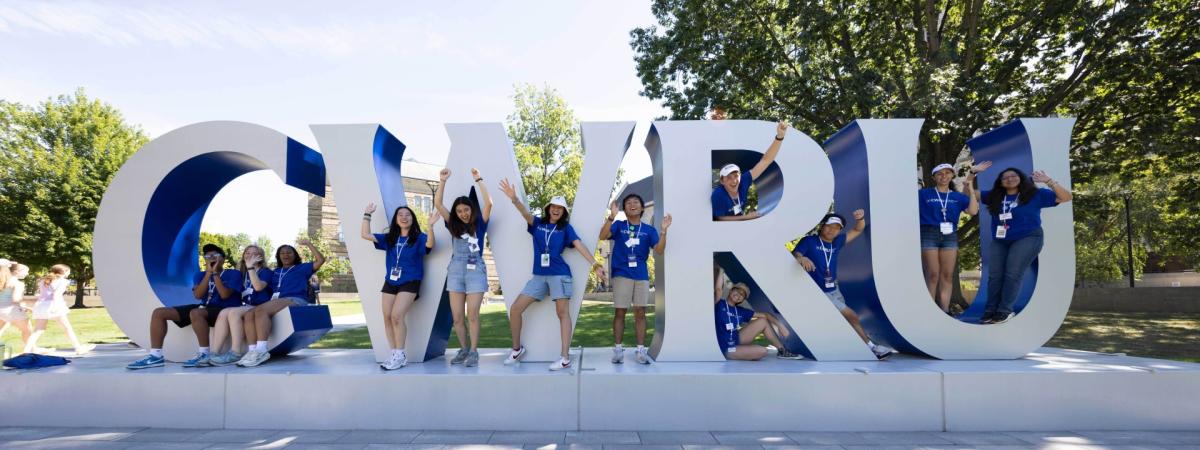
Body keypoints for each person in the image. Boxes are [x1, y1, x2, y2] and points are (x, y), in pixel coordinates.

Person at [498, 179, 605, 371]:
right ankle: (516, 349)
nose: (556, 210)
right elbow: (525, 213)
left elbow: (579, 245)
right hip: (539, 276)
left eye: (560, 208)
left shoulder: (565, 229)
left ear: (564, 212)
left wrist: (595, 264)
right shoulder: (537, 224)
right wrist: (514, 199)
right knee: (515, 309)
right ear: (548, 208)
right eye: (553, 207)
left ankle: (564, 358)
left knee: (562, 314)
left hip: (559, 275)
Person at [793, 212, 897, 359]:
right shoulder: (809, 241)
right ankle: (872, 348)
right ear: (822, 226)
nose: (832, 230)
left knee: (844, 321)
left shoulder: (837, 242)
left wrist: (860, 218)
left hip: (833, 289)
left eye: (836, 228)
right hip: (819, 292)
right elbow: (796, 254)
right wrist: (801, 257)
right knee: (852, 316)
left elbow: (857, 229)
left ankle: (852, 347)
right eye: (829, 226)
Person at [976, 167, 1073, 324]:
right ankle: (990, 310)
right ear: (1000, 182)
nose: (1009, 178)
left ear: (1021, 177)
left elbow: (1066, 197)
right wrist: (970, 176)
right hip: (1001, 240)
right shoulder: (994, 196)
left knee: (1012, 273)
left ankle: (1004, 311)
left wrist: (1048, 181)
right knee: (994, 276)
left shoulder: (1036, 194)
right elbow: (969, 195)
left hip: (1028, 237)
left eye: (1013, 175)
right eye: (1005, 177)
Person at [126, 245, 242, 369]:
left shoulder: (233, 273)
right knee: (159, 313)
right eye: (208, 256)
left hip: (224, 310)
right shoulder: (200, 275)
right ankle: (155, 356)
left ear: (223, 259)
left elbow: (224, 295)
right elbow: (198, 295)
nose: (211, 259)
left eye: (215, 256)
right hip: (203, 307)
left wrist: (215, 275)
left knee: (196, 313)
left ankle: (204, 353)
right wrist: (208, 273)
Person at [360, 204, 438, 370]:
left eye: (407, 215)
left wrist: (430, 226)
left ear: (412, 219)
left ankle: (401, 353)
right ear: (396, 220)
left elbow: (430, 246)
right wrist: (367, 214)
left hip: (410, 280)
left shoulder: (418, 237)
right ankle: (395, 354)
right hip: (390, 281)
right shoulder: (390, 238)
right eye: (400, 215)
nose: (404, 217)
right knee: (387, 317)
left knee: (396, 316)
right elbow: (365, 234)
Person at [600, 194, 671, 364]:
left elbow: (659, 250)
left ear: (641, 208)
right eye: (628, 203)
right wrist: (611, 216)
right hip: (622, 274)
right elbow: (602, 236)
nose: (632, 205)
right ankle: (617, 349)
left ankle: (640, 350)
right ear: (625, 208)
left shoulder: (649, 230)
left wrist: (663, 231)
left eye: (636, 202)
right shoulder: (619, 224)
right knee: (620, 312)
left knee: (640, 312)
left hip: (641, 275)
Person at [434, 167, 493, 368]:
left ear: (471, 209)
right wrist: (442, 181)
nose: (463, 214)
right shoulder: (452, 224)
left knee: (473, 314)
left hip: (476, 270)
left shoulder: (480, 224)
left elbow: (489, 203)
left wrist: (479, 179)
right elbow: (438, 204)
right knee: (457, 317)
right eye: (459, 211)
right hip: (456, 271)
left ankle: (474, 352)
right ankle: (464, 349)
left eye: (466, 209)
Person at [237, 240, 324, 367]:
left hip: (296, 299)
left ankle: (261, 351)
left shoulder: (302, 268)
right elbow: (260, 286)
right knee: (249, 314)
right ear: (278, 256)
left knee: (261, 311)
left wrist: (309, 244)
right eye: (282, 252)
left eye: (289, 252)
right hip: (278, 301)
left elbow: (320, 260)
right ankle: (252, 351)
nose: (286, 254)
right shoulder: (275, 272)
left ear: (295, 255)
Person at [918, 161, 990, 314]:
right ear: (934, 177)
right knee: (932, 274)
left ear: (952, 175)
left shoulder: (957, 196)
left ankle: (944, 310)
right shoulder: (924, 194)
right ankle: (928, 310)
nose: (944, 176)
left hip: (950, 234)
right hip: (928, 232)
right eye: (940, 174)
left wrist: (970, 189)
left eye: (947, 173)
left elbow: (973, 211)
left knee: (947, 275)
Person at [713, 269, 798, 361]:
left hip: (736, 340)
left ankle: (782, 351)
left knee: (763, 321)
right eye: (737, 291)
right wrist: (721, 270)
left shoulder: (740, 311)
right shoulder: (719, 304)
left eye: (742, 295)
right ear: (731, 291)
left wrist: (780, 326)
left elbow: (765, 315)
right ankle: (735, 353)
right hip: (725, 347)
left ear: (742, 300)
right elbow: (718, 290)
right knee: (762, 351)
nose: (739, 294)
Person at [208, 245, 272, 366]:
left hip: (260, 306)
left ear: (260, 257)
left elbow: (258, 287)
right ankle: (214, 352)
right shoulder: (241, 273)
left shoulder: (266, 272)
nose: (249, 255)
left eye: (254, 253)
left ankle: (236, 352)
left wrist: (251, 268)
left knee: (233, 312)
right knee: (224, 312)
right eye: (247, 253)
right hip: (246, 306)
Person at [711, 121, 788, 220]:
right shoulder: (718, 195)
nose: (734, 181)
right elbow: (720, 218)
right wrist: (746, 217)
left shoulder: (744, 180)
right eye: (729, 177)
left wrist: (779, 137)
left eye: (736, 176)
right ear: (722, 181)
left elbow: (765, 161)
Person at [22, 264, 96, 356]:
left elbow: (42, 295)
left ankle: (26, 350)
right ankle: (78, 348)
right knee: (67, 328)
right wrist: (55, 307)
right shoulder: (63, 281)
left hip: (41, 306)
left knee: (38, 330)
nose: (69, 272)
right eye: (68, 271)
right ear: (64, 272)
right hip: (54, 305)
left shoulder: (43, 280)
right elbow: (56, 295)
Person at [0, 260, 32, 350]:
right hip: (11, 310)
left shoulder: (2, 281)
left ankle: (33, 349)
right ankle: (28, 352)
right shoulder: (18, 283)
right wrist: (35, 299)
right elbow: (15, 299)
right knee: (27, 330)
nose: (27, 274)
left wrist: (24, 306)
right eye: (26, 271)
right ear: (17, 272)